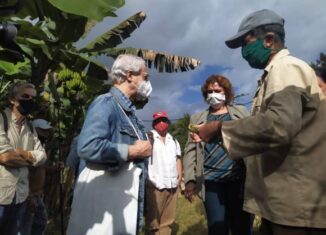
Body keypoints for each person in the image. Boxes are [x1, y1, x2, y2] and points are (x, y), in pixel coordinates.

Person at [190, 9, 326, 235]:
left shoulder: (286, 68)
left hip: (297, 206)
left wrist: (219, 129)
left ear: (269, 40)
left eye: (246, 42)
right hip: (284, 200)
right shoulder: (273, 74)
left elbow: (279, 125)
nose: (244, 51)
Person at [66, 54, 153, 235]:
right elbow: (88, 146)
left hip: (121, 201)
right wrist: (132, 150)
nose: (147, 82)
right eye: (145, 77)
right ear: (130, 75)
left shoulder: (129, 112)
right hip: (105, 200)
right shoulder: (105, 103)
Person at [183, 75, 252, 235]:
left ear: (226, 93)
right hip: (211, 180)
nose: (213, 95)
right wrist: (190, 180)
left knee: (241, 225)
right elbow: (190, 150)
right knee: (217, 228)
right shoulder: (197, 118)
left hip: (238, 178)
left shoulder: (241, 112)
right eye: (209, 92)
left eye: (217, 91)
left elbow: (250, 137)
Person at [0, 82, 46, 235]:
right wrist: (31, 161)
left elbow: (43, 156)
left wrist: (23, 154)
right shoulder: (2, 120)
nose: (30, 100)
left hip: (20, 196)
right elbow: (6, 157)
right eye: (25, 96)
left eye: (32, 97)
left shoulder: (30, 128)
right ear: (12, 99)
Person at [19, 119, 63, 235]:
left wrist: (54, 169)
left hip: (38, 196)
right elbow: (22, 172)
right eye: (43, 131)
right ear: (34, 130)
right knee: (25, 227)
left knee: (40, 223)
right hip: (28, 196)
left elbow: (41, 168)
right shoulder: (27, 147)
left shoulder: (40, 148)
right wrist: (28, 195)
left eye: (47, 131)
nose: (46, 134)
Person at [145, 111, 182, 235]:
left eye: (164, 120)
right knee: (153, 223)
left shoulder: (174, 140)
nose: (161, 123)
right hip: (155, 186)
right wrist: (148, 181)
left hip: (172, 185)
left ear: (168, 122)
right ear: (154, 124)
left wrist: (179, 176)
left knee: (168, 221)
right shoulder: (147, 137)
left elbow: (178, 159)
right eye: (158, 121)